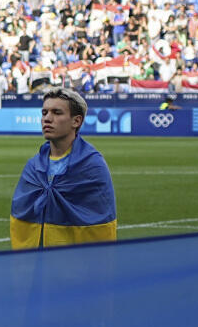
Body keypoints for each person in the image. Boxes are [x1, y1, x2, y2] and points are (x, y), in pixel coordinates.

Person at [9, 89, 117, 249]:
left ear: (76, 121)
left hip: (75, 264)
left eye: (57, 113)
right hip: (36, 262)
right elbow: (21, 210)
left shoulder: (91, 165)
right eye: (44, 112)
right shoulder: (34, 166)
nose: (47, 118)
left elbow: (99, 219)